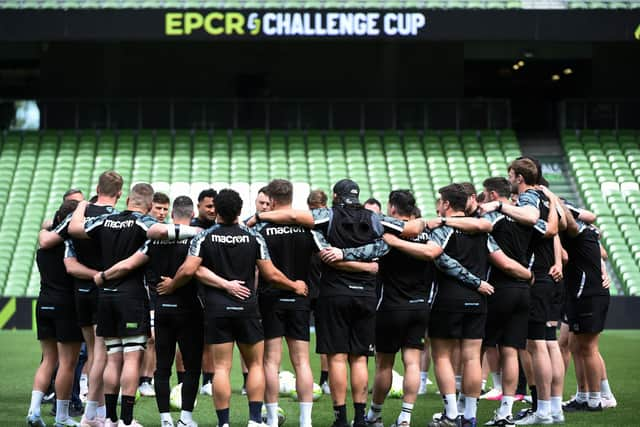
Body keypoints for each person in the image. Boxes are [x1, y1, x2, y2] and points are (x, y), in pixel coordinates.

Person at [158, 189, 308, 427]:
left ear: (216, 210)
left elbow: (189, 270)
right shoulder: (253, 236)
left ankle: (224, 423)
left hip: (217, 311)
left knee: (221, 369)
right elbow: (270, 274)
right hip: (247, 307)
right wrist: (294, 285)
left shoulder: (203, 237)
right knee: (256, 364)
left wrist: (172, 285)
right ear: (240, 211)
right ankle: (255, 420)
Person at [248, 179, 389, 427]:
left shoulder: (260, 227)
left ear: (270, 200)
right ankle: (307, 422)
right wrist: (369, 266)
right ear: (293, 198)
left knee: (271, 361)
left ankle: (271, 420)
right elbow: (328, 256)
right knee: (304, 361)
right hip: (302, 298)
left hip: (272, 298)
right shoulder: (310, 229)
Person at [68, 183, 158, 427]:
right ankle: (126, 421)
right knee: (131, 359)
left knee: (113, 357)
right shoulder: (144, 223)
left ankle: (109, 419)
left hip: (105, 297)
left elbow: (74, 228)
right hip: (131, 297)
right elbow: (165, 233)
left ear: (127, 199)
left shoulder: (106, 221)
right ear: (149, 206)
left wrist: (82, 206)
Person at [39, 172, 124, 427]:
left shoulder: (79, 215)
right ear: (119, 193)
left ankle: (96, 412)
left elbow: (46, 239)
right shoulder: (116, 219)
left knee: (94, 354)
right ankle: (93, 414)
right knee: (102, 356)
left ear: (97, 189)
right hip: (103, 290)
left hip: (80, 293)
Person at [28, 200, 85, 427]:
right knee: (67, 363)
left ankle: (33, 411)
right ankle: (62, 416)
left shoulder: (44, 245)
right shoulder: (73, 246)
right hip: (67, 306)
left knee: (47, 361)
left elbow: (46, 229)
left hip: (43, 303)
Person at [561, 201, 611, 412]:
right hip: (580, 293)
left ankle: (596, 398)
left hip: (587, 294)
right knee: (576, 346)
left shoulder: (578, 231)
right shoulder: (585, 231)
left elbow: (598, 254)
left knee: (588, 348)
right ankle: (584, 396)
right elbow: (600, 254)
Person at [138, 192, 171, 398]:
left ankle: (146, 380)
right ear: (150, 207)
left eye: (165, 209)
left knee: (155, 339)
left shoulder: (166, 233)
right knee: (146, 339)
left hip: (161, 293)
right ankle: (140, 380)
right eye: (158, 208)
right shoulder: (143, 229)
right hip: (142, 291)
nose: (161, 213)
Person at [191, 188, 217, 397]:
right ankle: (183, 383)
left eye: (215, 206)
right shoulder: (190, 228)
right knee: (188, 340)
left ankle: (208, 380)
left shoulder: (220, 228)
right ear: (198, 205)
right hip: (190, 291)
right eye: (208, 206)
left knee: (211, 340)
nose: (212, 210)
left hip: (212, 291)